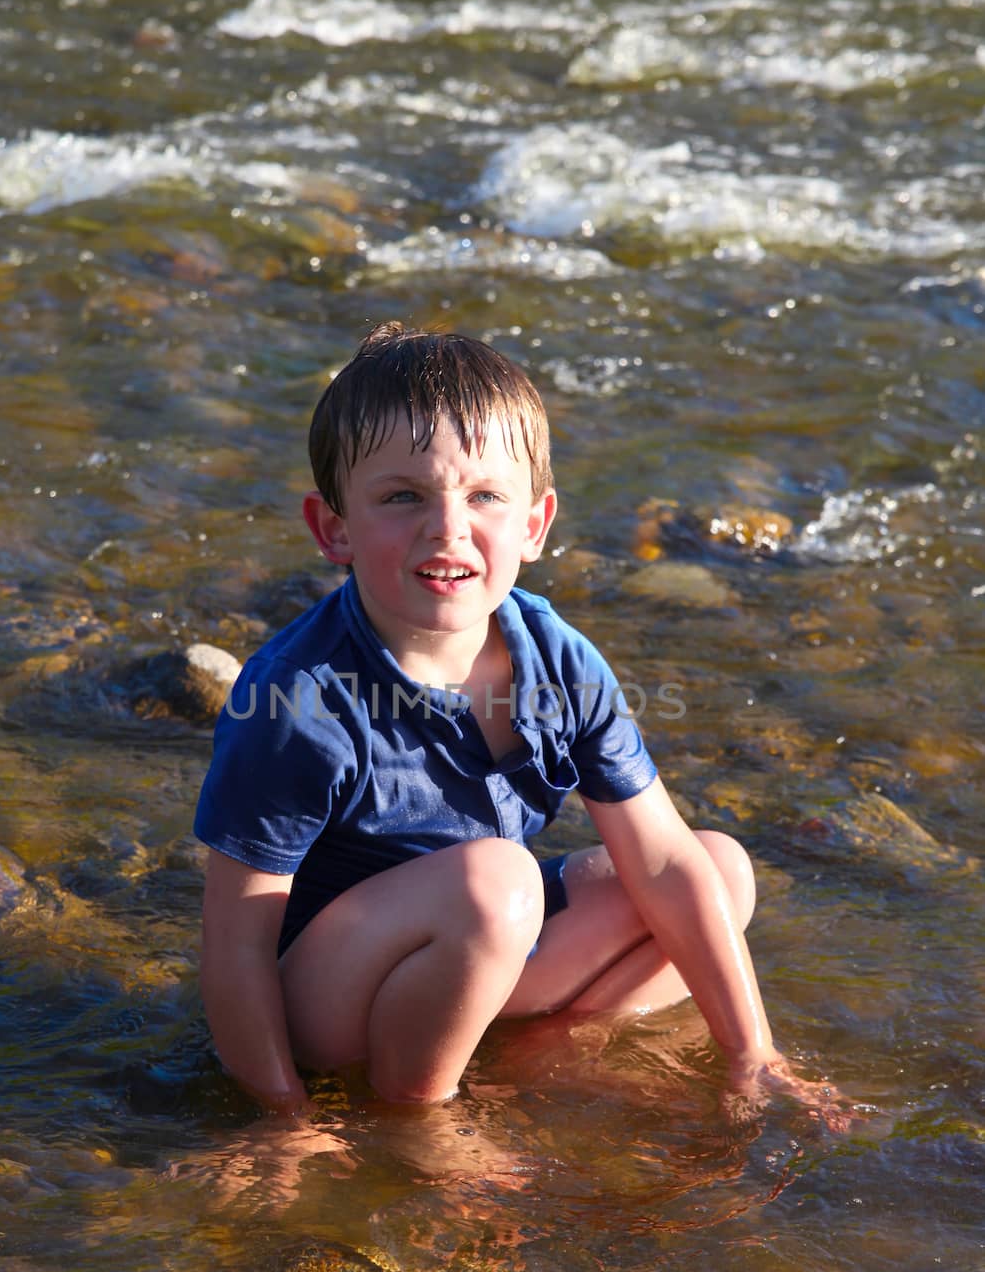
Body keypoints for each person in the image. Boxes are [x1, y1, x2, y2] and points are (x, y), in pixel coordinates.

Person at [195, 322, 836, 1120]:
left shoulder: (558, 661)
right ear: (334, 530)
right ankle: (418, 1116)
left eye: (485, 496)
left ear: (534, 525)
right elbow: (234, 942)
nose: (447, 527)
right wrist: (279, 1119)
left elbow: (663, 862)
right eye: (402, 496)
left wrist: (753, 1053)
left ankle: (545, 1047)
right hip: (326, 1006)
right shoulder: (299, 699)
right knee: (497, 877)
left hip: (477, 949)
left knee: (717, 869)